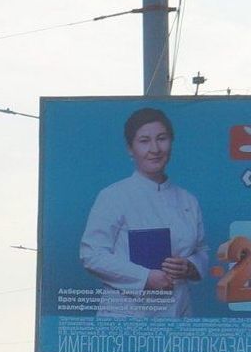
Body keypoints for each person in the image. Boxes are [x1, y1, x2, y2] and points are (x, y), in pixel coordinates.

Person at [79, 105, 209, 318]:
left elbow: (201, 250)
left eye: (162, 138)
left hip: (178, 314)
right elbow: (92, 255)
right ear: (130, 149)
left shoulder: (188, 200)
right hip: (126, 318)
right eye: (144, 141)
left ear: (171, 142)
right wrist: (145, 277)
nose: (155, 149)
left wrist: (190, 266)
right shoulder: (113, 196)